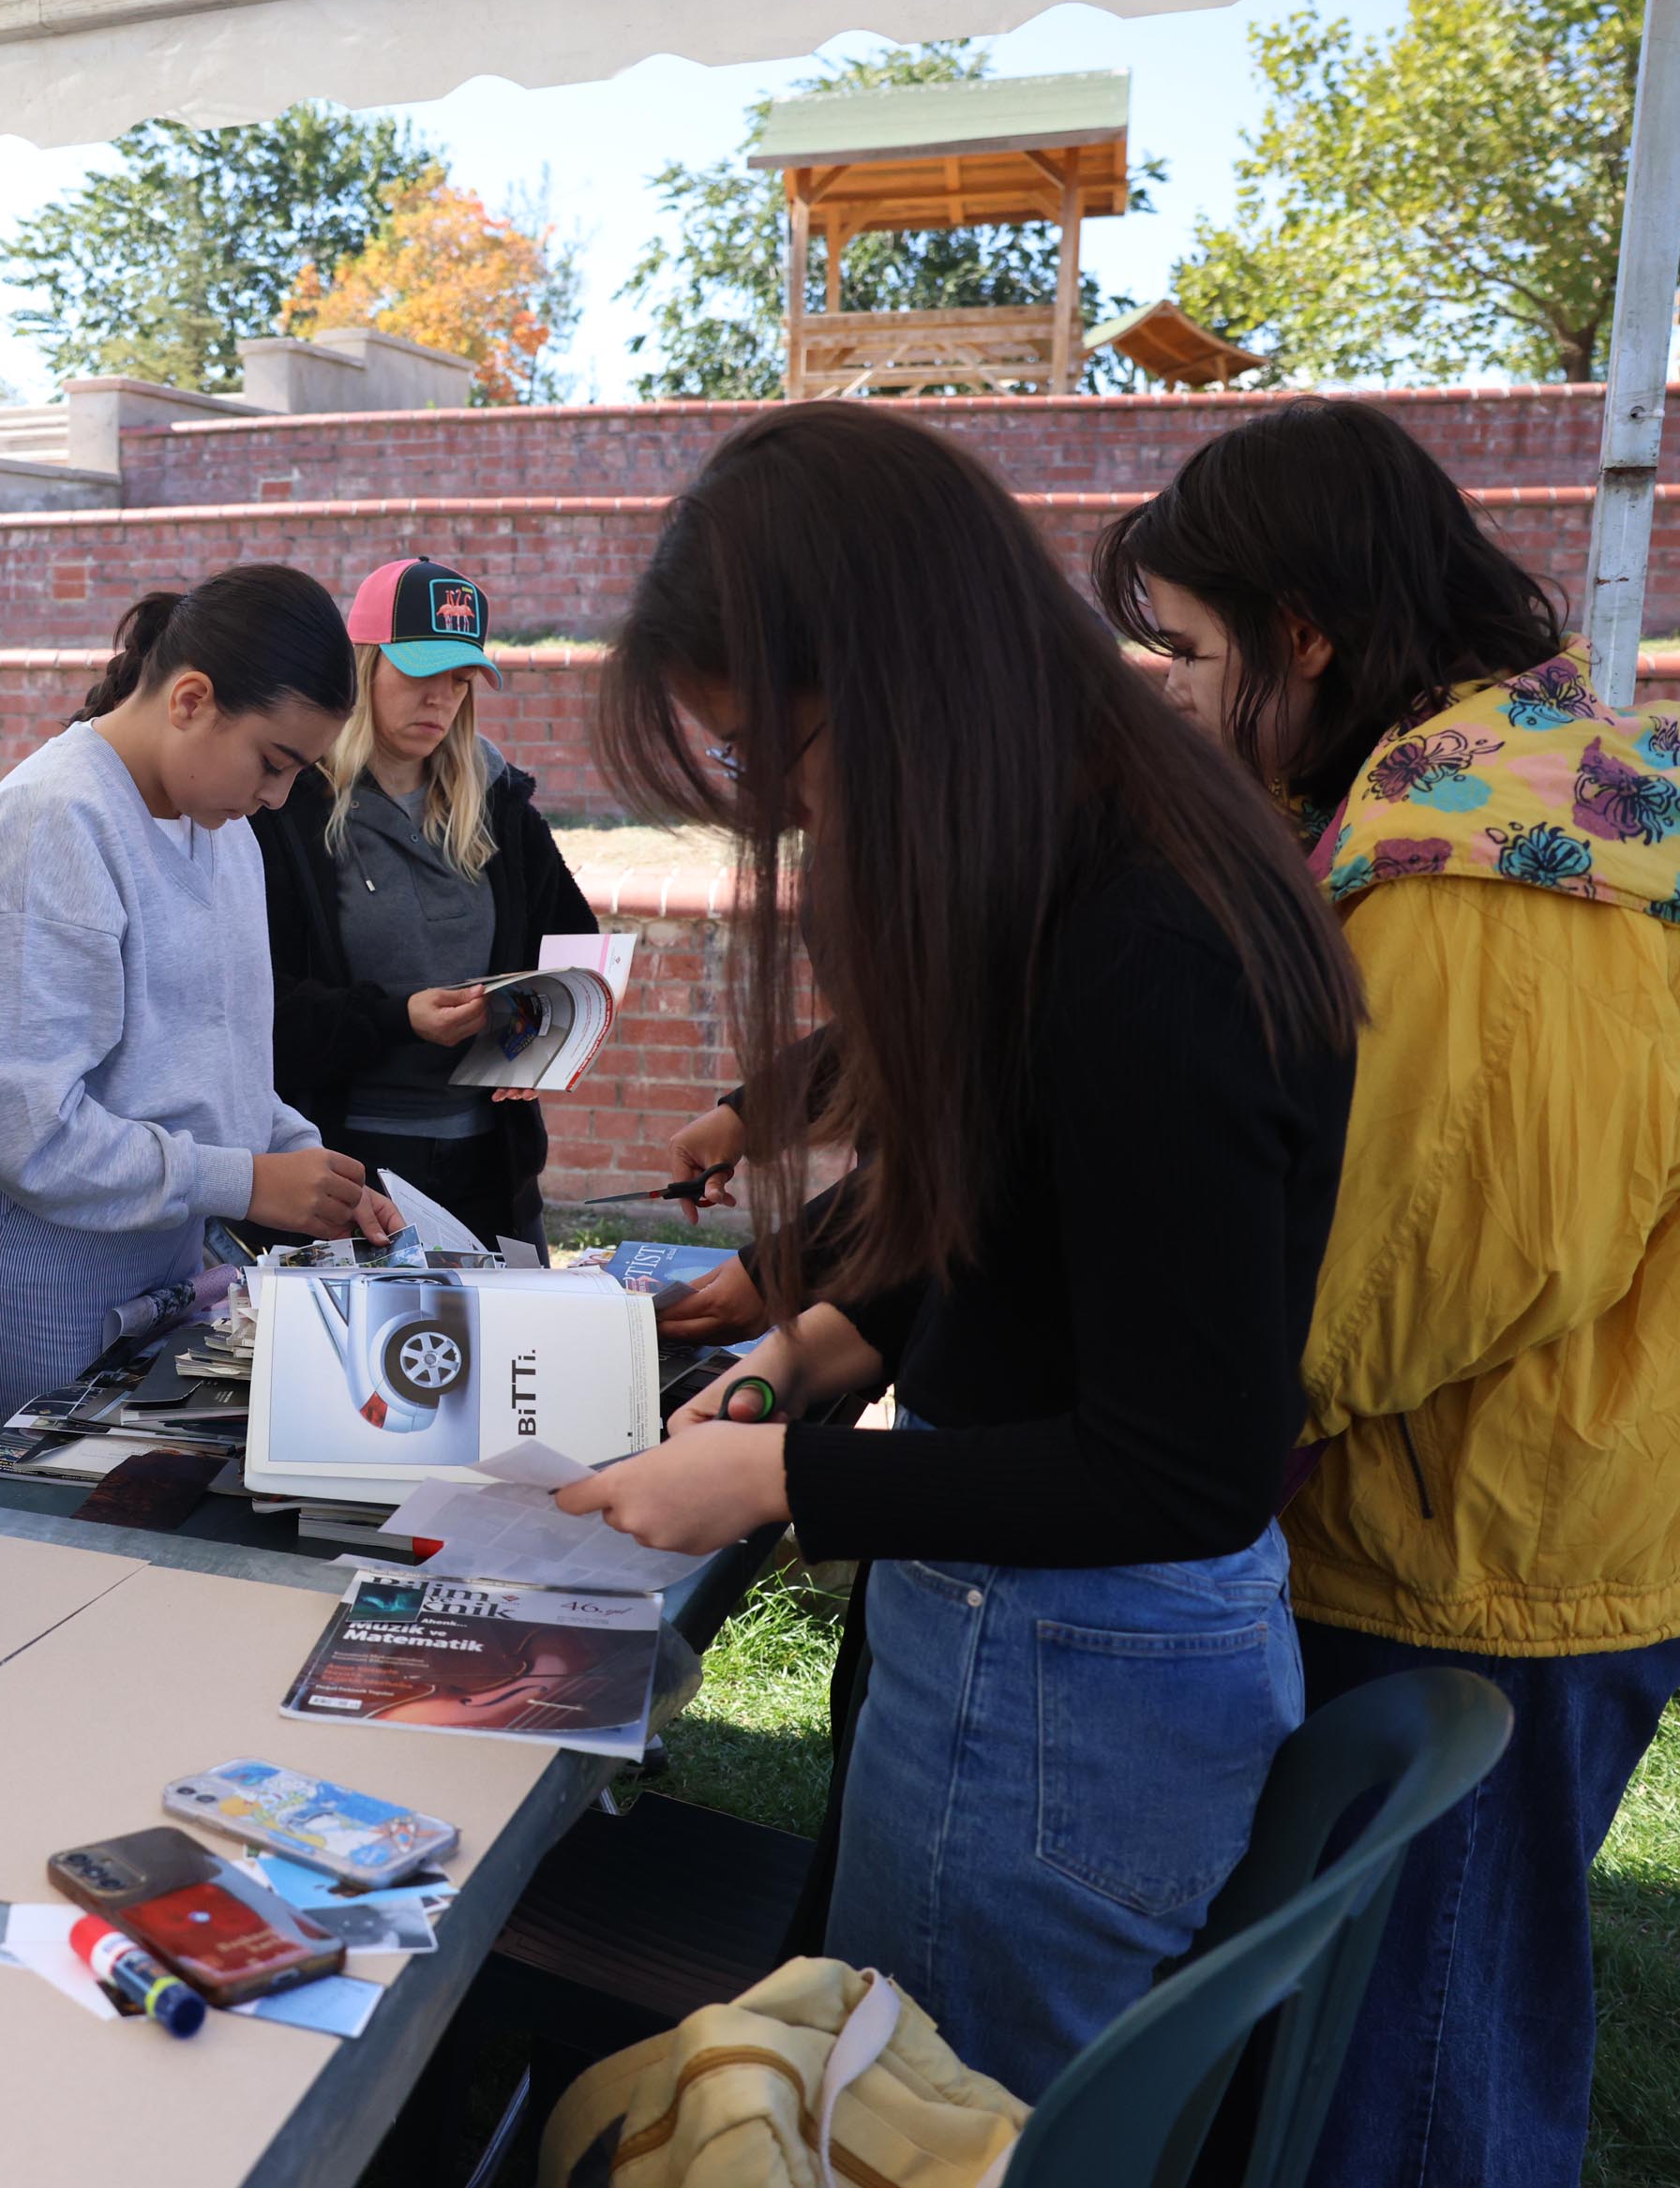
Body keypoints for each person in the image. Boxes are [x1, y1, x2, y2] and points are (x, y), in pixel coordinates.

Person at [554, 403, 1365, 2098]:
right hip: (1034, 1666)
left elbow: (1177, 1466)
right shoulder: (1077, 879)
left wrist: (786, 1483)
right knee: (897, 2102)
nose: (780, 811)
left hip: (1067, 1694)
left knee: (934, 2127)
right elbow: (1029, 1226)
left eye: (780, 761)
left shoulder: (1148, 946)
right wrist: (821, 1349)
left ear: (905, 682)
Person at [1098, 397, 1680, 2188]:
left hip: (1497, 1557)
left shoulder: (1485, 858)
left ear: (1304, 637)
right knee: (1394, 2015)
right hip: (1475, 1524)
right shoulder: (1479, 783)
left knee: (1420, 2070)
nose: (1169, 688)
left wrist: (1209, 1399)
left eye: (1186, 649)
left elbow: (1430, 1251)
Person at [0, 564, 398, 1442]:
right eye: (272, 762)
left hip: (163, 1264)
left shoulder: (216, 828)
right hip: (44, 1284)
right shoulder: (52, 822)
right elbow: (21, 1130)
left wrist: (306, 1164)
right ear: (189, 699)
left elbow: (213, 1064)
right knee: (50, 1545)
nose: (275, 796)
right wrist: (247, 1181)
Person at [254, 557, 598, 1252]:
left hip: (491, 1163)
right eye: (419, 674)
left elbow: (571, 941)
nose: (441, 699)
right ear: (363, 668)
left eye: (460, 680)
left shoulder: (498, 798)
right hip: (345, 1166)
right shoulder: (284, 807)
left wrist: (535, 1042)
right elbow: (260, 1008)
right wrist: (397, 1019)